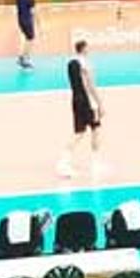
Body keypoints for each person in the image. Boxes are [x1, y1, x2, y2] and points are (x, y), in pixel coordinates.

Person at [58, 40, 105, 179]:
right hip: (87, 101)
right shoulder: (86, 64)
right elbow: (90, 85)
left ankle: (64, 162)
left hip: (76, 100)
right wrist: (100, 103)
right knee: (95, 129)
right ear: (84, 49)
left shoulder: (71, 63)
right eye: (88, 48)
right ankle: (95, 164)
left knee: (79, 131)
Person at [15, 0, 37, 69]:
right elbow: (34, 12)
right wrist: (39, 23)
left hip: (20, 21)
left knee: (27, 39)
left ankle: (22, 57)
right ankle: (24, 60)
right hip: (27, 21)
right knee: (30, 39)